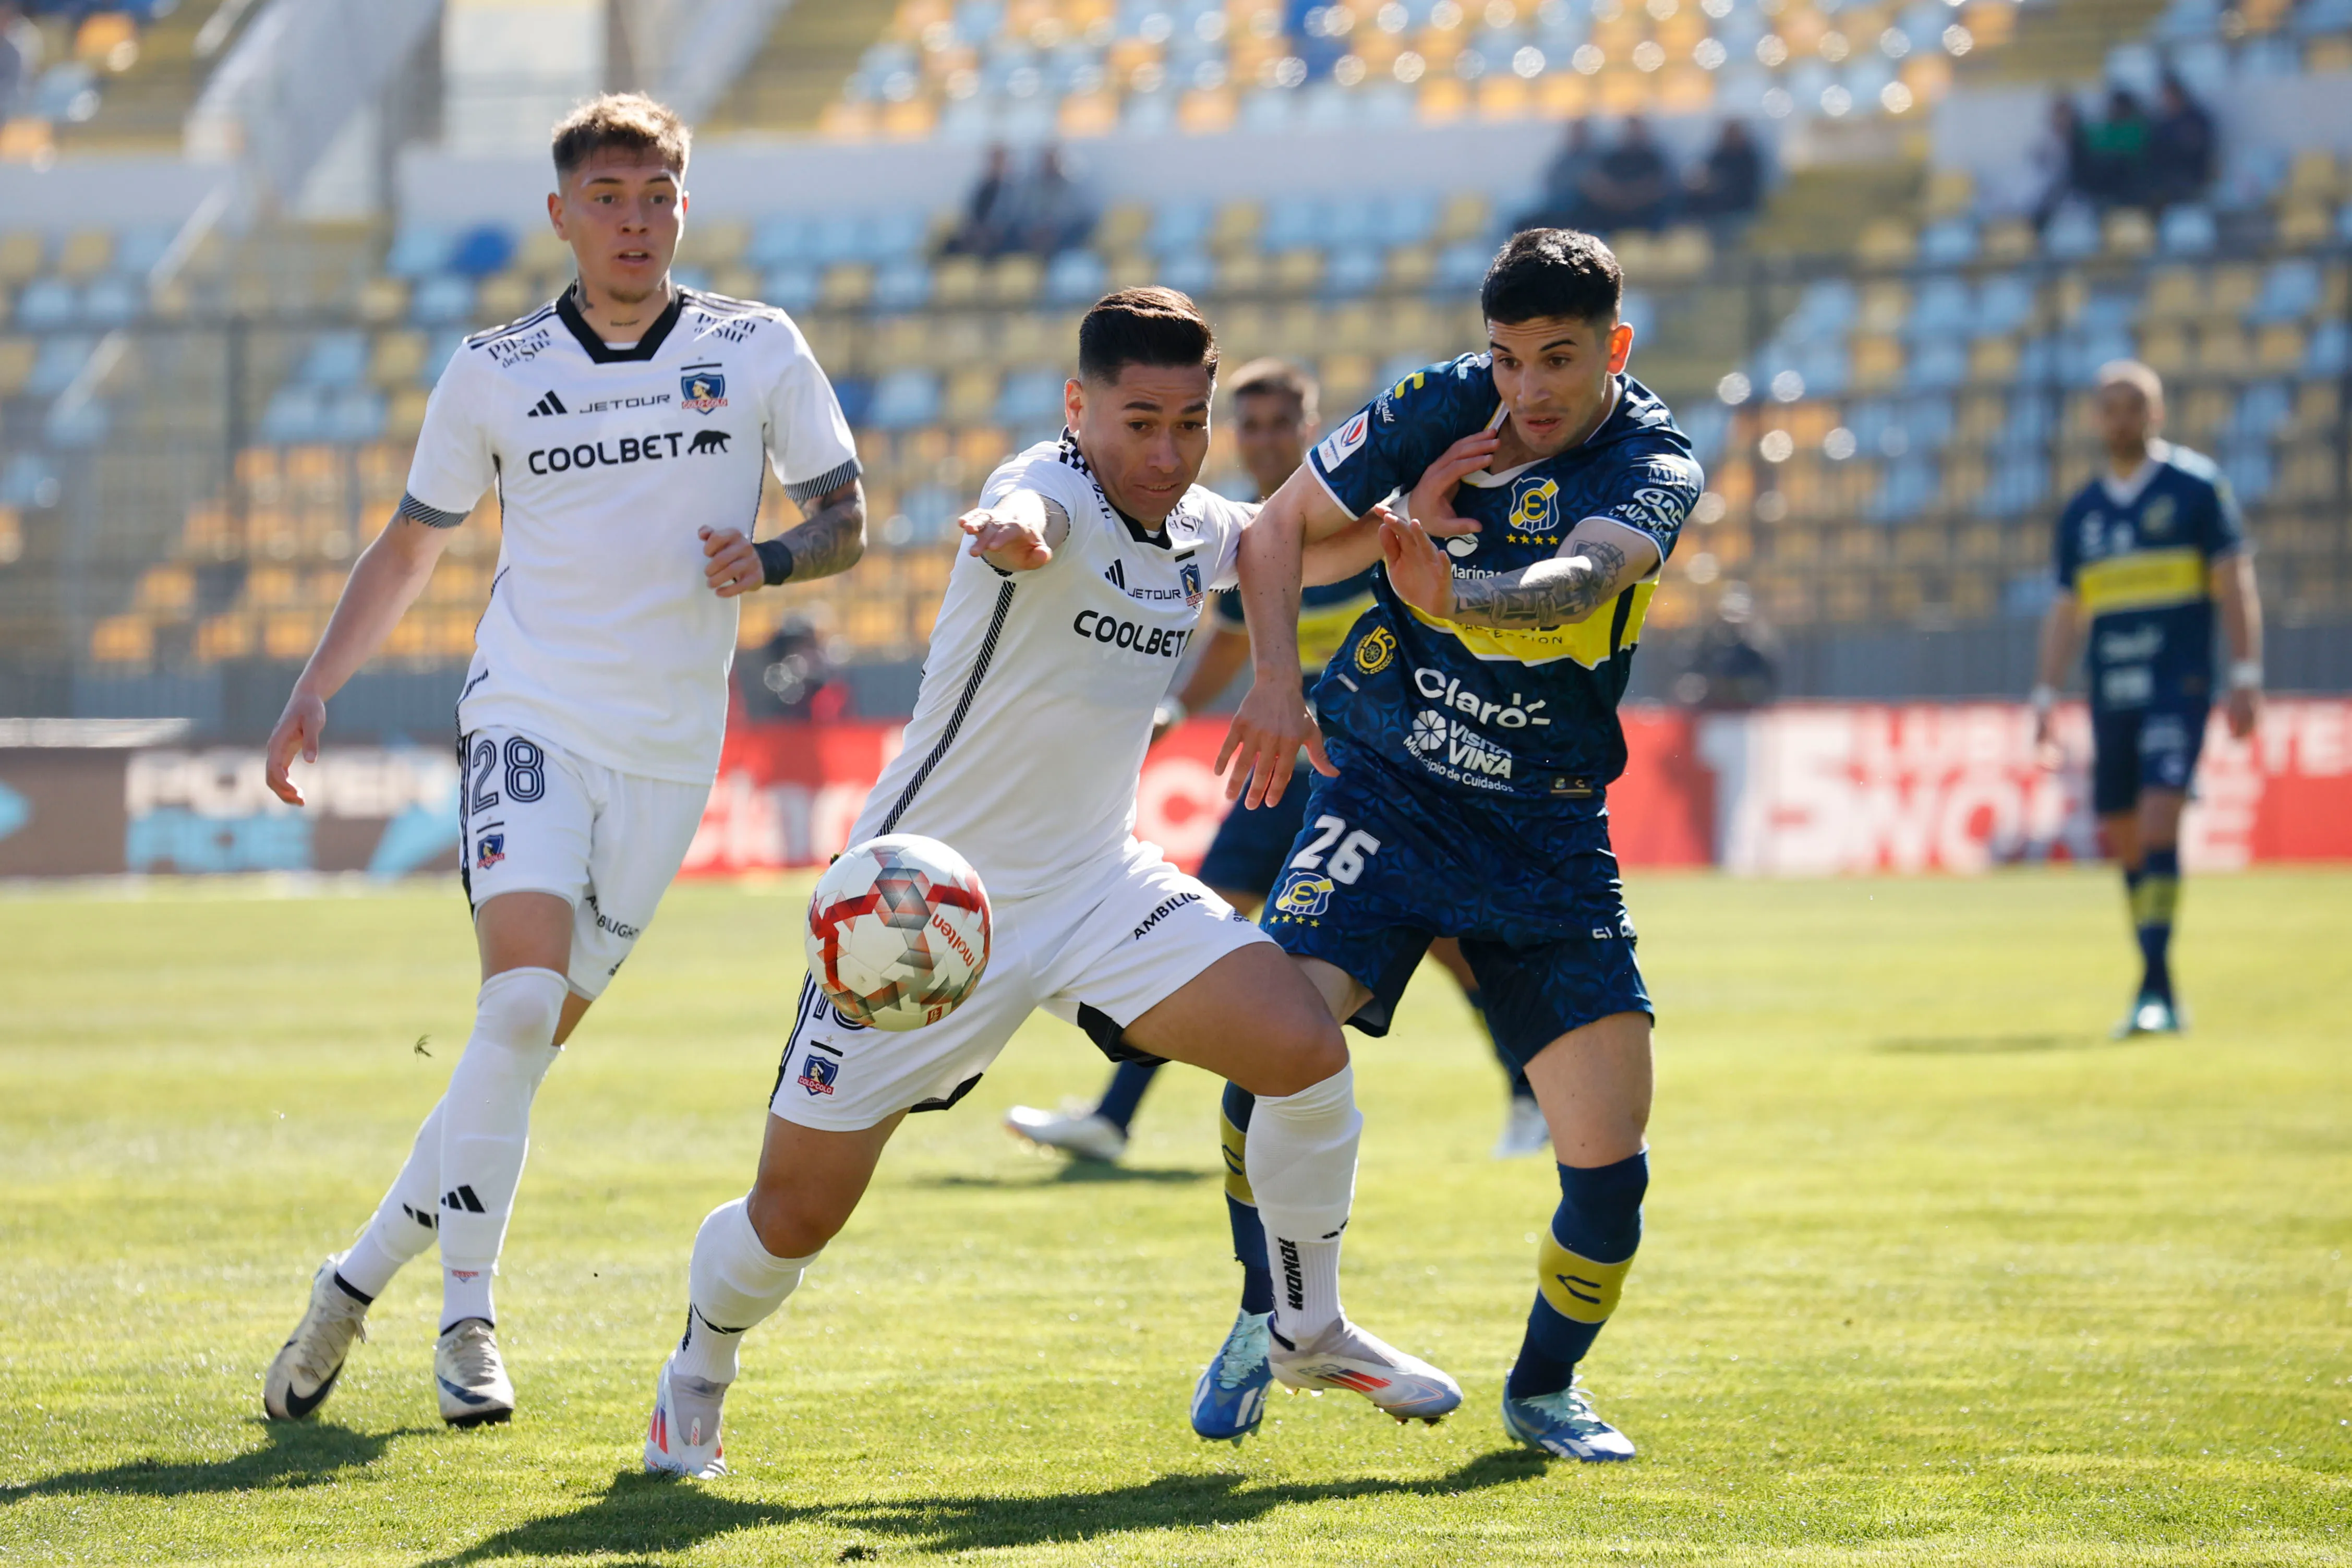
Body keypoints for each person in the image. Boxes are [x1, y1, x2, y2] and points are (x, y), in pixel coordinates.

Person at [639, 288, 1462, 1480]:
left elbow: (1292, 538)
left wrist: (1409, 512)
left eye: (1190, 423)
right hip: (923, 910)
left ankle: (1306, 1323)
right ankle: (699, 1366)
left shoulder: (1190, 526)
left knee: (1302, 1045)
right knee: (794, 1216)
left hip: (1093, 882)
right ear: (1079, 409)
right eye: (1139, 421)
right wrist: (1013, 529)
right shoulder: (1057, 486)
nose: (1167, 452)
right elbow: (1026, 508)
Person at [257, 93, 871, 1429]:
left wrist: (764, 561)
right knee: (520, 1006)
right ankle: (467, 1318)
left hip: (667, 756)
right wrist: (316, 685)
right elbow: (412, 543)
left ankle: (350, 1285)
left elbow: (846, 516)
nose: (635, 220)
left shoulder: (754, 346)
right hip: (528, 714)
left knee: (509, 1055)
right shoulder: (493, 366)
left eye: (657, 197)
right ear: (561, 215)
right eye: (608, 197)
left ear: (684, 208)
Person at [1199, 228, 1703, 1462]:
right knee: (1272, 1041)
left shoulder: (1655, 460)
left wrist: (1459, 593)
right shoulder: (1443, 405)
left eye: (1557, 359)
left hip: (1545, 831)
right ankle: (1266, 1313)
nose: (1526, 388)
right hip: (1387, 791)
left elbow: (1583, 581)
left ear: (1613, 350)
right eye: (1508, 356)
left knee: (1609, 1171)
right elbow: (1270, 533)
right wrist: (1275, 682)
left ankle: (1542, 1389)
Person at [1003, 357, 1549, 1168]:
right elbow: (1228, 639)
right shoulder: (1254, 538)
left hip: (1372, 779)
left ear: (1311, 430)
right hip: (1283, 775)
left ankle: (1528, 1092)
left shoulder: (1365, 530)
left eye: (1278, 424)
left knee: (1445, 944)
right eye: (1247, 425)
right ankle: (1113, 1117)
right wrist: (1176, 712)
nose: (1261, 440)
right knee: (1187, 925)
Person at [2031, 359, 2261, 1039]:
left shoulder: (2196, 488)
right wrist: (2045, 692)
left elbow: (2234, 581)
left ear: (2155, 413)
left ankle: (2155, 989)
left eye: (2135, 404)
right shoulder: (2083, 512)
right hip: (2112, 693)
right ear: (2096, 419)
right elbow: (2067, 610)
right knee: (2127, 837)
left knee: (2159, 824)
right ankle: (2155, 982)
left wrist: (2245, 675)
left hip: (2178, 686)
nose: (2122, 417)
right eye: (2111, 406)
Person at [1579, 116, 1674, 234]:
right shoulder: (1613, 158)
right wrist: (1616, 197)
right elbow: (1597, 182)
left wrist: (1634, 197)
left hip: (1646, 212)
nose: (1633, 135)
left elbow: (1659, 185)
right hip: (1612, 210)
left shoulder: (1653, 158)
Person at [2147, 74, 2217, 209]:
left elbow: (2199, 148)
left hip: (2191, 175)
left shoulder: (2197, 119)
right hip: (2163, 176)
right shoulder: (2160, 123)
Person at [944, 143, 1021, 258]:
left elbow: (1013, 216)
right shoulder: (981, 187)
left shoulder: (1014, 189)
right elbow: (971, 212)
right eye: (994, 160)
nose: (996, 165)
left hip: (1000, 234)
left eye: (1000, 160)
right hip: (979, 231)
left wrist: (994, 228)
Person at [1682, 119, 1764, 228]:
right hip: (1714, 205)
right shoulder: (1719, 155)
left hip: (1738, 204)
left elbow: (1745, 184)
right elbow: (1707, 172)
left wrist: (1720, 183)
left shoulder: (1749, 158)